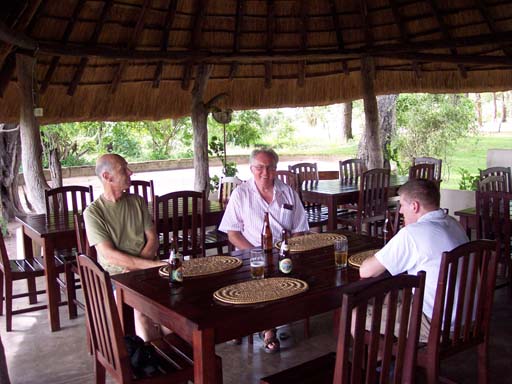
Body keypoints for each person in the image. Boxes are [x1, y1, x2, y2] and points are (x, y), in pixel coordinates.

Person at [219, 147, 309, 353]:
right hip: (250, 254)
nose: (265, 172)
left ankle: (269, 323)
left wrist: (288, 251)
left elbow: (299, 229)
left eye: (270, 167)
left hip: (284, 253)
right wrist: (256, 254)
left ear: (276, 169)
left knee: (289, 274)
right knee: (262, 278)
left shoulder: (288, 192)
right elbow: (232, 234)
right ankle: (267, 330)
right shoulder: (240, 194)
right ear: (251, 168)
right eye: (259, 167)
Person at [359, 178, 469, 341]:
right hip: (467, 317)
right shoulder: (453, 223)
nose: (401, 211)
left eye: (402, 205)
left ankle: (383, 364)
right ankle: (398, 357)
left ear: (414, 206)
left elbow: (367, 271)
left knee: (355, 317)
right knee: (392, 296)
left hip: (437, 324)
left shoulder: (413, 233)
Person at [84, 153, 164, 340]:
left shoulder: (137, 201)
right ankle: (152, 363)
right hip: (116, 277)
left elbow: (153, 239)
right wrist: (150, 266)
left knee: (179, 307)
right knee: (142, 312)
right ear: (107, 177)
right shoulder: (93, 212)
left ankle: (175, 356)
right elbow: (109, 255)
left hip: (144, 271)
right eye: (123, 169)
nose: (130, 172)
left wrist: (137, 267)